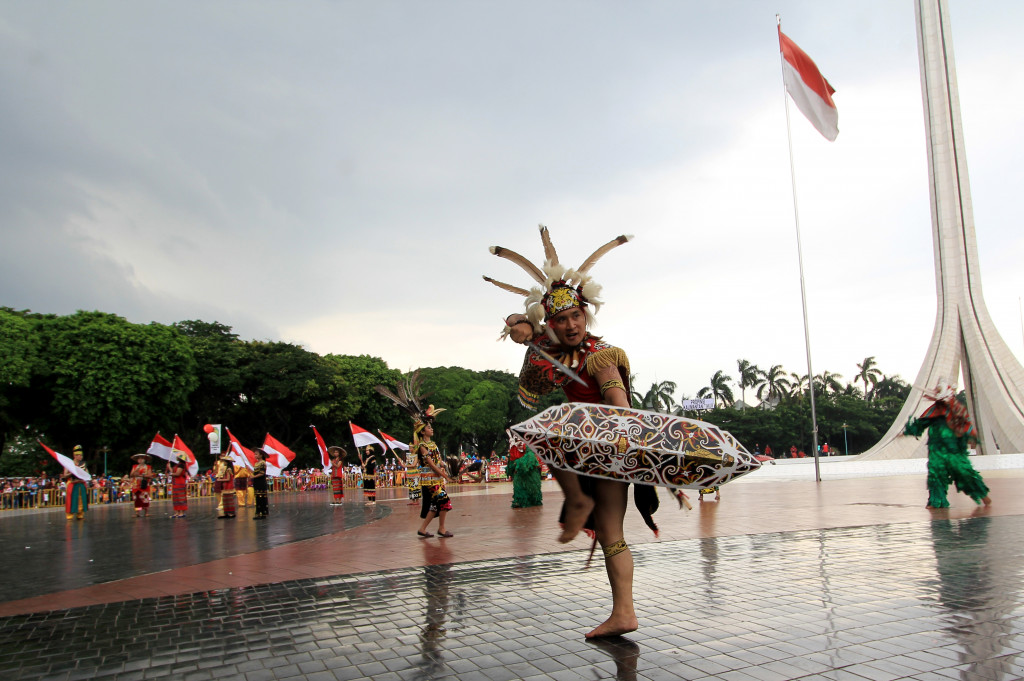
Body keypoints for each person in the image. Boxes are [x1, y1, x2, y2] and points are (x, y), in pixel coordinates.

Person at [485, 225, 641, 638]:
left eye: (576, 316)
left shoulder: (600, 356)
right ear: (552, 323)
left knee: (549, 432)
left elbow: (620, 406)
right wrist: (521, 326)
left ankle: (576, 502)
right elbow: (524, 337)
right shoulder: (562, 350)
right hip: (593, 450)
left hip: (609, 449)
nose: (571, 325)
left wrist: (614, 434)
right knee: (611, 535)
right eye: (562, 319)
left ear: (586, 315)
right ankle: (623, 612)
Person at [902, 382, 992, 509]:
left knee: (964, 472)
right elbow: (921, 423)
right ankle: (936, 501)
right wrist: (909, 430)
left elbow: (966, 425)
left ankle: (982, 495)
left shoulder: (957, 409)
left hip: (953, 450)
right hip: (936, 450)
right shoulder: (934, 411)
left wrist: (970, 436)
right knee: (936, 474)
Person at [414, 419, 455, 537]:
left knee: (434, 505)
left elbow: (439, 461)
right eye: (428, 427)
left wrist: (448, 468)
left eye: (431, 427)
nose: (431, 429)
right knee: (444, 500)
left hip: (437, 479)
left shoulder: (434, 444)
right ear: (422, 432)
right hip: (429, 481)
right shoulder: (422, 446)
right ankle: (441, 528)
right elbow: (431, 465)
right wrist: (446, 477)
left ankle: (422, 529)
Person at [506, 437, 542, 509]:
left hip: (530, 474)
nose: (520, 443)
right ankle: (518, 501)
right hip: (519, 475)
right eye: (517, 441)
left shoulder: (529, 449)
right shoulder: (514, 449)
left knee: (532, 489)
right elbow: (511, 462)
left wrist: (518, 462)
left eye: (521, 441)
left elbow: (530, 459)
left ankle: (533, 500)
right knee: (518, 487)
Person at [63, 445, 89, 520]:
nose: (81, 457)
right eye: (79, 455)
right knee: (71, 499)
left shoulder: (83, 464)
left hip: (81, 483)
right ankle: (69, 515)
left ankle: (80, 515)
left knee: (81, 500)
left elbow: (87, 473)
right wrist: (72, 472)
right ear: (75, 456)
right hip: (72, 483)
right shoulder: (69, 464)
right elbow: (65, 475)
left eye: (81, 455)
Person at [129, 453, 155, 518]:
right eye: (139, 459)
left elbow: (150, 475)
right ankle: (137, 512)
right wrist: (136, 470)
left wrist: (141, 475)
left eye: (142, 459)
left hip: (144, 483)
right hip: (136, 484)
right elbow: (131, 475)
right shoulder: (135, 466)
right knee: (137, 499)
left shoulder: (148, 467)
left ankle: (146, 512)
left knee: (145, 498)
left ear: (144, 460)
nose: (140, 460)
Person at [168, 453, 189, 518]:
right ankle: (177, 512)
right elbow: (174, 472)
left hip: (180, 483)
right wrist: (169, 467)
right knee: (176, 498)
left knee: (180, 498)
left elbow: (177, 474)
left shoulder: (181, 465)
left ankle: (181, 512)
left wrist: (171, 474)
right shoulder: (177, 465)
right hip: (175, 483)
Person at [215, 454, 236, 518]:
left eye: (224, 461)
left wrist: (220, 480)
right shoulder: (226, 469)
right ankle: (226, 512)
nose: (223, 462)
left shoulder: (228, 469)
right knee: (225, 499)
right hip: (226, 485)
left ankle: (231, 513)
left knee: (229, 499)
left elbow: (228, 479)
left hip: (228, 485)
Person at [252, 448, 269, 519]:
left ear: (261, 455)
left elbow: (262, 473)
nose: (255, 455)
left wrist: (253, 476)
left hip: (261, 482)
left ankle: (263, 513)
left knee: (261, 497)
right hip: (256, 482)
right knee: (257, 497)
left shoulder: (263, 463)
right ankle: (258, 513)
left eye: (256, 454)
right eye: (255, 454)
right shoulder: (256, 463)